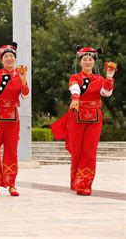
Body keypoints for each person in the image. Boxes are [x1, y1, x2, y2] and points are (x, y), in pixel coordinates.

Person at [50, 46, 115, 196]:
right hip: (77, 115)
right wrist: (75, 99)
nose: (87, 62)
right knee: (77, 150)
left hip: (94, 117)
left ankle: (84, 184)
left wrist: (110, 77)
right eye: (84, 59)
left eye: (90, 59)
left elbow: (106, 93)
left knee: (90, 151)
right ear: (80, 62)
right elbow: (75, 89)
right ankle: (75, 181)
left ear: (95, 62)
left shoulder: (100, 79)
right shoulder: (75, 78)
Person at [0, 43, 29, 197]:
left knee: (11, 151)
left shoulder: (19, 74)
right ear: (1, 60)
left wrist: (23, 79)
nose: (9, 58)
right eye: (6, 56)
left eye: (12, 56)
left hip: (13, 117)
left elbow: (26, 94)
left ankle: (11, 184)